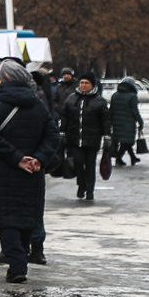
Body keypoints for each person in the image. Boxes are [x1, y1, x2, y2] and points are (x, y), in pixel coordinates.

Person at [0, 59, 58, 282]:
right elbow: (52, 135)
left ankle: (17, 265)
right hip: (32, 171)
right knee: (25, 216)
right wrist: (38, 159)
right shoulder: (38, 104)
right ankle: (19, 264)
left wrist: (17, 159)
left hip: (0, 169)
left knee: (4, 218)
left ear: (5, 78)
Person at [59, 72, 109, 202]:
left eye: (87, 83)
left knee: (90, 165)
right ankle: (81, 185)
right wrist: (62, 132)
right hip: (74, 137)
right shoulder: (72, 99)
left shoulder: (99, 101)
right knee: (78, 163)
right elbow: (65, 117)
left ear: (92, 85)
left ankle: (90, 190)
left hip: (92, 138)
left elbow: (105, 120)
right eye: (82, 82)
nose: (84, 85)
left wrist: (107, 135)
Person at [109, 77, 145, 166]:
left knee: (124, 140)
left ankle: (132, 157)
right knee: (127, 141)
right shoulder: (132, 96)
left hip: (116, 122)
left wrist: (110, 121)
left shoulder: (115, 95)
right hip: (128, 122)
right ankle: (119, 158)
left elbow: (111, 109)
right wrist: (140, 121)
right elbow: (134, 111)